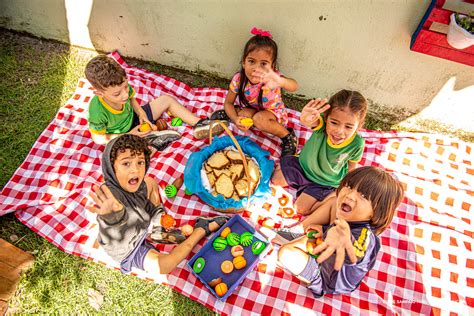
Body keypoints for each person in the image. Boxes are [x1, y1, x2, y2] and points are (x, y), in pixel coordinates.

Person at [86, 134, 229, 274]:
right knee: (164, 266)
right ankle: (201, 229)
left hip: (142, 223)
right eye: (126, 163)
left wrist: (155, 214)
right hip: (129, 247)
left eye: (140, 162)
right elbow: (112, 229)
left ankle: (157, 221)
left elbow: (144, 194)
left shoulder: (136, 183)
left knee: (150, 182)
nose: (135, 169)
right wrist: (112, 216)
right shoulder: (111, 199)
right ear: (111, 168)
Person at [276, 166, 404, 297]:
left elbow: (356, 254)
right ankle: (298, 230)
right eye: (349, 186)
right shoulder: (351, 215)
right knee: (333, 202)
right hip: (328, 246)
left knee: (285, 252)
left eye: (363, 195)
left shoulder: (365, 237)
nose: (349, 195)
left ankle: (310, 269)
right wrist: (324, 229)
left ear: (375, 212)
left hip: (327, 278)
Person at [85, 55, 228, 145]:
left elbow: (132, 100)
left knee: (166, 100)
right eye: (117, 94)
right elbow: (99, 139)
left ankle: (200, 124)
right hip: (121, 135)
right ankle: (153, 140)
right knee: (124, 153)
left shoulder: (123, 90)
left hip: (136, 119)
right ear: (99, 93)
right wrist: (130, 134)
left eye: (125, 87)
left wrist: (141, 114)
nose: (124, 94)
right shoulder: (96, 111)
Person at [272, 90, 367, 215]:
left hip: (324, 183)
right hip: (302, 167)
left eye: (348, 127)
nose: (339, 131)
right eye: (334, 123)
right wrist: (305, 118)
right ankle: (290, 162)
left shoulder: (357, 143)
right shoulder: (321, 127)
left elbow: (352, 165)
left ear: (359, 126)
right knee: (275, 180)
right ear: (326, 118)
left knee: (301, 209)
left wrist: (346, 187)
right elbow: (309, 122)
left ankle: (330, 199)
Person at [210, 27, 299, 157]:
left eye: (264, 64)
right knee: (244, 115)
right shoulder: (239, 79)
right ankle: (235, 113)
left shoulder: (273, 79)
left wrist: (281, 82)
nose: (256, 68)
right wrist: (235, 119)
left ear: (272, 67)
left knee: (259, 120)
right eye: (251, 61)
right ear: (243, 63)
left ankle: (287, 136)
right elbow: (228, 103)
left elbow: (294, 86)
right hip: (251, 109)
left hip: (272, 114)